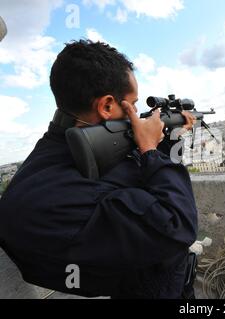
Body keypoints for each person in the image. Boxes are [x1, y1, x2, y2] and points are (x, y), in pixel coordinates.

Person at [0, 40, 198, 299]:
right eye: (133, 103)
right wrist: (150, 149)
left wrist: (168, 140)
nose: (137, 114)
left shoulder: (54, 154)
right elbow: (178, 224)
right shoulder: (57, 197)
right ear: (106, 106)